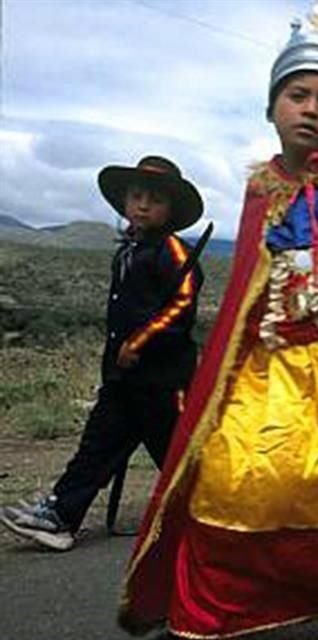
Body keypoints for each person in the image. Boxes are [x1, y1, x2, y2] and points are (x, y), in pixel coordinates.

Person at [118, 5, 318, 639]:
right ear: (272, 107)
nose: (312, 109)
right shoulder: (260, 194)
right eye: (298, 95)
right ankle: (202, 617)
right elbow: (243, 302)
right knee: (224, 480)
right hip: (260, 370)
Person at [0, 155, 204, 552]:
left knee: (178, 458)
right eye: (137, 196)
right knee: (96, 447)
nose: (143, 205)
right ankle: (60, 517)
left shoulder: (175, 252)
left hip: (162, 383)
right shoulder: (128, 250)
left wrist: (137, 343)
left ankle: (214, 521)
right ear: (125, 202)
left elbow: (181, 306)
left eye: (155, 199)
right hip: (122, 378)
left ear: (171, 209)